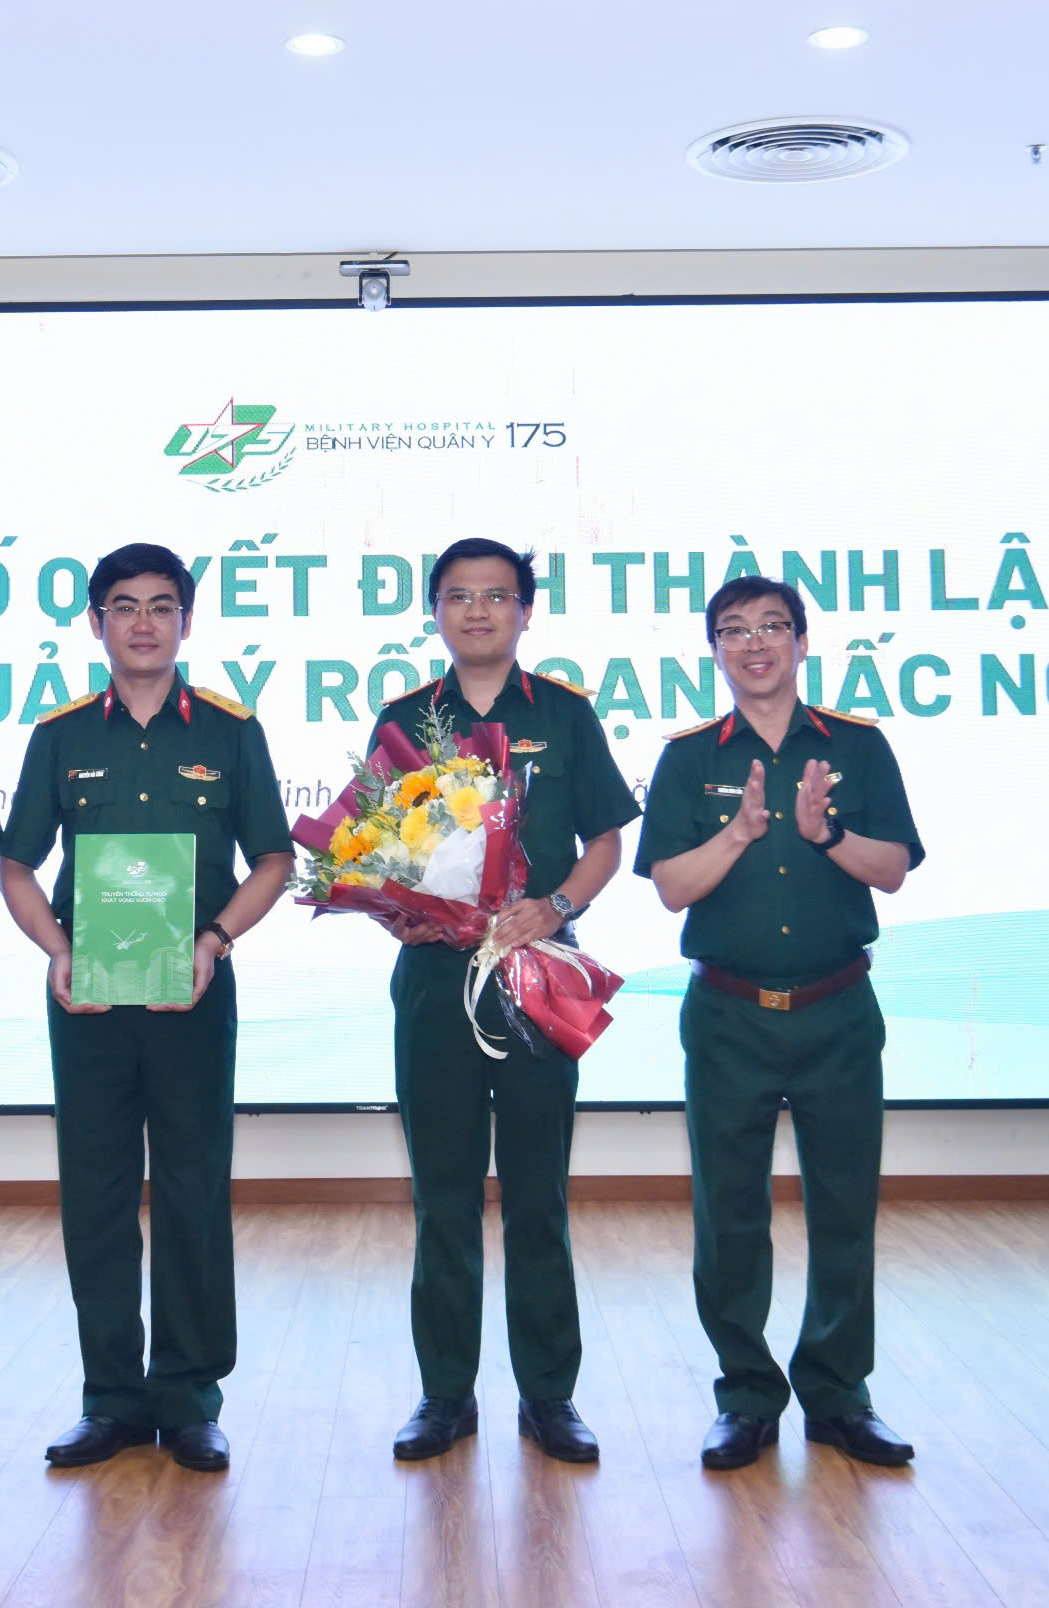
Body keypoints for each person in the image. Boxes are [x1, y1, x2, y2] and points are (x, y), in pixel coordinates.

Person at [0, 542, 294, 1473]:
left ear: (187, 622)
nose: (142, 623)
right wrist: (58, 949)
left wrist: (215, 940)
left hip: (192, 993)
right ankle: (111, 1399)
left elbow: (274, 859)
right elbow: (16, 865)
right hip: (86, 998)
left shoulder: (230, 731)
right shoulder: (61, 735)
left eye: (162, 606)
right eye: (123, 606)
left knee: (193, 1190)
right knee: (95, 1194)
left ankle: (190, 1398)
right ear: (96, 623)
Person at [634, 575, 926, 1471]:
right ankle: (747, 1396)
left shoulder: (857, 746)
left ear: (803, 641)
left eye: (772, 626)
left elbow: (893, 869)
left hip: (838, 1010)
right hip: (728, 1015)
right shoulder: (689, 758)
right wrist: (739, 834)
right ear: (715, 651)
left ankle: (839, 1395)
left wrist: (826, 835)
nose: (754, 643)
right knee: (730, 1216)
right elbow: (671, 887)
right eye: (734, 630)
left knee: (845, 1206)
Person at [371, 538, 640, 1464]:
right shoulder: (405, 719)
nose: (478, 611)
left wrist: (555, 906)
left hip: (537, 973)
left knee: (538, 1196)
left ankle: (549, 1396)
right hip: (437, 982)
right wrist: (399, 912)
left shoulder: (563, 713)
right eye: (459, 596)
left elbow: (606, 841)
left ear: (526, 611)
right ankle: (445, 1395)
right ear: (435, 612)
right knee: (443, 1197)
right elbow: (376, 852)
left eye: (496, 596)